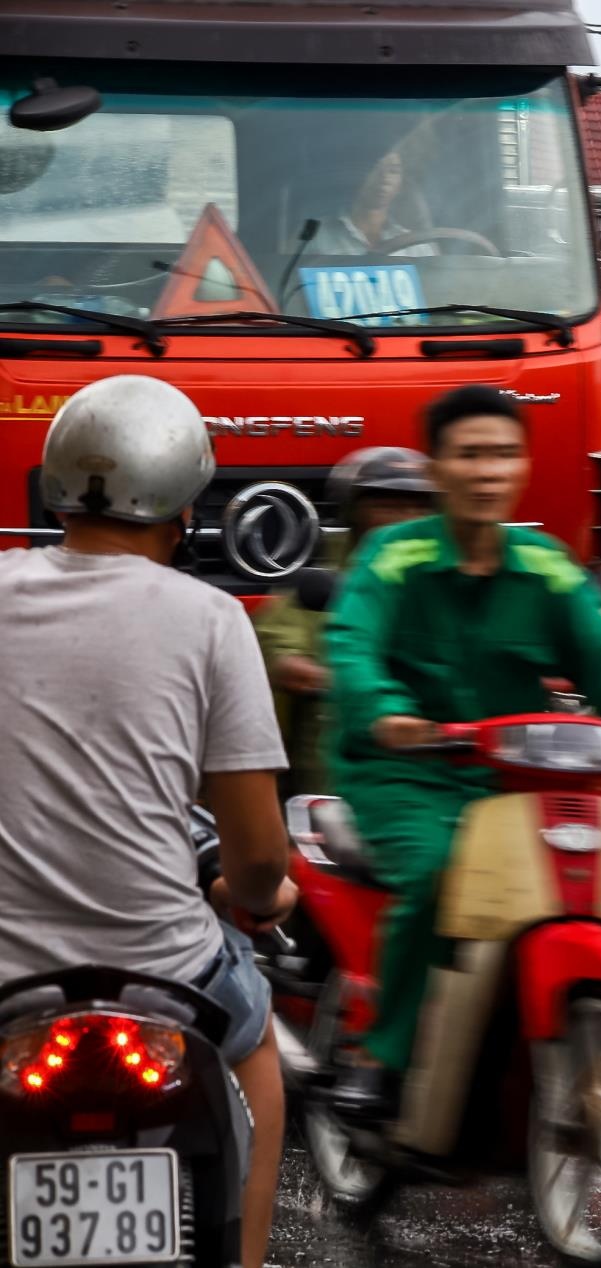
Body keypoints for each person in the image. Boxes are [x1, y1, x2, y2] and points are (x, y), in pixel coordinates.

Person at [0, 376, 297, 1268]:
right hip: (172, 980)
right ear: (185, 511)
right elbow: (253, 857)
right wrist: (260, 895)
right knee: (255, 1051)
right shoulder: (211, 619)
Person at [325, 385, 601, 1119]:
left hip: (511, 777)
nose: (488, 472)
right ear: (437, 468)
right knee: (434, 874)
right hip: (403, 772)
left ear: (522, 466)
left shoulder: (545, 564)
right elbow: (351, 646)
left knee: (576, 878)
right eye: (470, 455)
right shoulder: (395, 558)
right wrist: (389, 713)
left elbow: (600, 654)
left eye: (502, 454)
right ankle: (382, 1058)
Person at [252, 447, 436, 796]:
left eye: (418, 507)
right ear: (354, 512)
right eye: (387, 506)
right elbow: (277, 638)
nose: (404, 518)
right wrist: (315, 672)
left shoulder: (451, 574)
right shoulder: (330, 571)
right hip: (336, 766)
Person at [309, 148, 437, 257]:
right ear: (356, 175)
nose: (385, 178)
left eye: (393, 171)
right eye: (375, 168)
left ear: (401, 186)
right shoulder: (316, 236)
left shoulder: (416, 247)